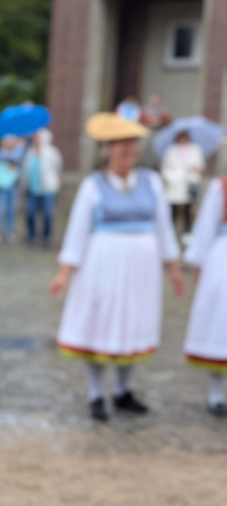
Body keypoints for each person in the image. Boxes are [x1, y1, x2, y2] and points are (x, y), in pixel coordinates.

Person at [50, 113, 183, 422]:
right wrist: (65, 271)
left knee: (133, 323)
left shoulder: (151, 182)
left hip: (142, 269)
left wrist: (173, 268)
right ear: (109, 149)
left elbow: (163, 227)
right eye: (121, 145)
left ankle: (123, 390)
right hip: (102, 264)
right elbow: (77, 231)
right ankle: (96, 393)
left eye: (133, 144)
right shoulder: (93, 186)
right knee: (100, 321)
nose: (128, 151)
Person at [183, 177, 227, 415]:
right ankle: (216, 389)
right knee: (222, 325)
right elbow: (205, 227)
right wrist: (199, 265)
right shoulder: (221, 188)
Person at [22, 128, 62, 247]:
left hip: (47, 189)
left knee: (48, 214)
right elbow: (25, 169)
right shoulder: (29, 152)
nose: (35, 139)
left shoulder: (52, 152)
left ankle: (46, 236)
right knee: (30, 213)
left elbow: (58, 166)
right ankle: (31, 235)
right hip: (32, 189)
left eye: (37, 137)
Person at [160, 130, 204, 236]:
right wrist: (174, 177)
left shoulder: (195, 149)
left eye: (185, 139)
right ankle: (169, 233)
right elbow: (165, 169)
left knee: (188, 210)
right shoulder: (171, 151)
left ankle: (187, 232)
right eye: (181, 139)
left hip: (189, 183)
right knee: (173, 210)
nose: (183, 141)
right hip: (175, 184)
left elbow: (200, 164)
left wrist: (196, 168)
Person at [0, 135, 25, 243]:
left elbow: (17, 158)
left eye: (13, 142)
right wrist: (20, 146)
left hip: (13, 185)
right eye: (9, 142)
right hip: (1, 185)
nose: (11, 144)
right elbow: (12, 157)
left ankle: (10, 231)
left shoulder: (16, 152)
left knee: (12, 209)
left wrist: (19, 146)